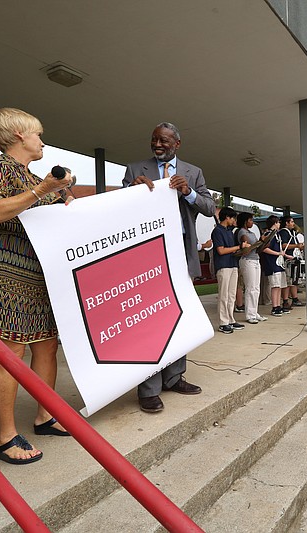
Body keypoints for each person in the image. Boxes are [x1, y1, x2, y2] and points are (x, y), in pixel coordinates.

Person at [0, 107, 74, 464]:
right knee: (11, 351)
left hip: (36, 271)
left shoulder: (32, 176)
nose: (42, 140)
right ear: (19, 134)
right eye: (38, 134)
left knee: (47, 346)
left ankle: (45, 415)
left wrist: (63, 200)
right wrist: (44, 190)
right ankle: (5, 437)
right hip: (2, 270)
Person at [123, 121, 216, 414]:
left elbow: (209, 207)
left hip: (181, 254)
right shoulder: (135, 169)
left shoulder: (193, 172)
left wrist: (188, 192)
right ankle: (148, 388)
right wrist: (131, 191)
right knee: (150, 320)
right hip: (149, 256)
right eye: (154, 140)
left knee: (179, 316)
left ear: (177, 144)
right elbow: (120, 207)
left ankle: (174, 377)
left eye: (164, 141)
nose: (158, 145)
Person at [211, 207, 249, 334]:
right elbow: (221, 250)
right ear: (227, 217)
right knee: (224, 294)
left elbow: (232, 249)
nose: (234, 220)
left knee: (232, 294)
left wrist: (242, 249)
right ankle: (223, 322)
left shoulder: (230, 232)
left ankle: (230, 319)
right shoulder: (217, 231)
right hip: (223, 265)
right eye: (233, 218)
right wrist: (238, 247)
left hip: (233, 264)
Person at [237, 212, 266, 323]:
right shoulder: (242, 232)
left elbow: (257, 249)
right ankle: (250, 314)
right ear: (245, 221)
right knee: (250, 288)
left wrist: (263, 242)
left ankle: (254, 312)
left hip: (256, 259)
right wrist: (259, 242)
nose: (252, 222)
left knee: (256, 288)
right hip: (247, 260)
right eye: (250, 220)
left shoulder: (252, 233)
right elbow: (246, 245)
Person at [260, 215, 291, 316]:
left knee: (279, 286)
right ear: (274, 223)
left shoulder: (277, 234)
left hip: (279, 263)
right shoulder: (269, 234)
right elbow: (264, 249)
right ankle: (274, 307)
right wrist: (278, 254)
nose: (279, 224)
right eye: (278, 222)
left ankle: (278, 305)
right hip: (272, 263)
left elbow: (279, 250)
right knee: (275, 285)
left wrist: (285, 255)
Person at [278, 216, 305, 310]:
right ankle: (285, 301)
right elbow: (284, 245)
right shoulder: (284, 232)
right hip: (287, 259)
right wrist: (297, 245)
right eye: (292, 222)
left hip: (293, 258)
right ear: (286, 223)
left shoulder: (292, 233)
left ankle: (294, 298)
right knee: (287, 281)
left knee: (293, 280)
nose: (293, 224)